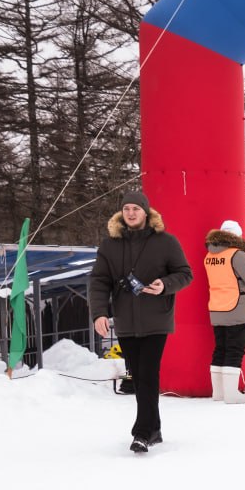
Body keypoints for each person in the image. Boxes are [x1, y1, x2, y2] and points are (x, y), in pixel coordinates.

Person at [88, 189, 193, 453]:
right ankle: (154, 427)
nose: (131, 213)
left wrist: (164, 285)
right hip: (125, 320)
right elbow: (99, 280)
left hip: (156, 318)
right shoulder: (109, 245)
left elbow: (185, 273)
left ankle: (142, 432)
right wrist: (99, 313)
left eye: (136, 209)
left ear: (146, 212)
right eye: (126, 209)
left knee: (147, 374)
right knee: (139, 375)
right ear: (121, 213)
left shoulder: (166, 241)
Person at [204, 219, 245, 404]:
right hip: (238, 306)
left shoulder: (210, 255)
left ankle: (219, 393)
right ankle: (231, 395)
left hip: (217, 307)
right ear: (236, 235)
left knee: (220, 348)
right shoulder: (236, 254)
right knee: (235, 349)